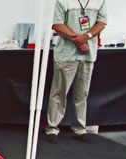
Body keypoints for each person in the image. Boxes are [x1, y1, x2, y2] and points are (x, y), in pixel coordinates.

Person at [45, 0, 107, 144]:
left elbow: (102, 22)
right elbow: (57, 25)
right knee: (59, 92)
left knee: (82, 93)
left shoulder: (100, 1)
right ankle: (52, 128)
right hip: (66, 54)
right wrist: (78, 40)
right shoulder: (63, 1)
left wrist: (87, 36)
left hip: (88, 55)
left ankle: (80, 128)